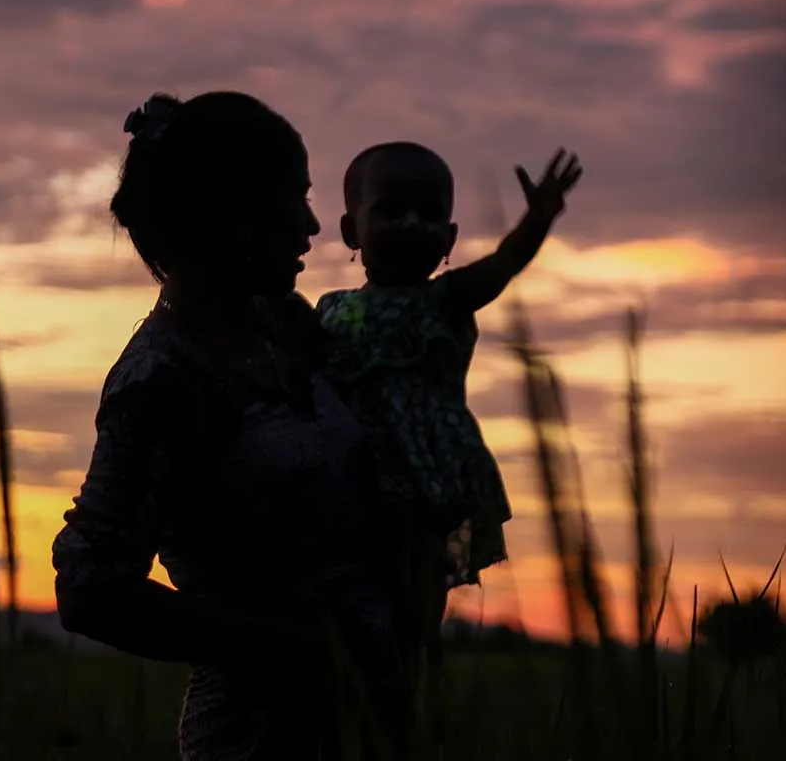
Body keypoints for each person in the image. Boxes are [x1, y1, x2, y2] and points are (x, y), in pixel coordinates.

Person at [51, 91, 408, 761]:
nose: (311, 226)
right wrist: (291, 644)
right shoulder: (159, 379)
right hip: (259, 737)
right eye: (292, 199)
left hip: (367, 720)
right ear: (235, 213)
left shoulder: (291, 329)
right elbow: (90, 590)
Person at [315, 141, 582, 724]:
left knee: (411, 607)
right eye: (392, 210)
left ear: (450, 239)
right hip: (350, 485)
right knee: (349, 603)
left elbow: (503, 266)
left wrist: (536, 221)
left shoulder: (446, 301)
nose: (413, 224)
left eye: (430, 214)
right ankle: (356, 696)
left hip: (422, 486)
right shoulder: (329, 311)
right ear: (349, 231)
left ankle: (407, 700)